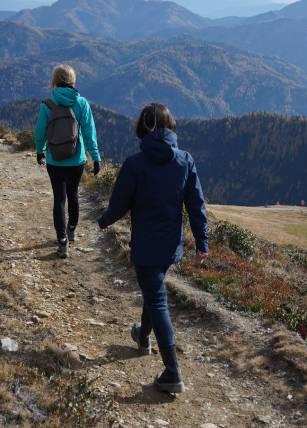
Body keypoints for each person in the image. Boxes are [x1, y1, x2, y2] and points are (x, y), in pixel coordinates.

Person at [98, 103, 209, 394]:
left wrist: (105, 220)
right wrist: (202, 242)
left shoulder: (135, 164)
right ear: (170, 125)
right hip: (170, 246)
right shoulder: (185, 160)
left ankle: (172, 371)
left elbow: (120, 203)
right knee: (154, 289)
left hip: (146, 246)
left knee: (157, 300)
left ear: (143, 128)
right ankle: (143, 337)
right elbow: (196, 205)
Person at [35, 64, 101, 258]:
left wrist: (40, 151)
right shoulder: (81, 103)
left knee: (59, 199)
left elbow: (39, 132)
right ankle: (71, 229)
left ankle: (62, 241)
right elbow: (89, 133)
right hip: (77, 160)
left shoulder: (47, 104)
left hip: (55, 161)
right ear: (73, 81)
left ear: (54, 81)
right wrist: (95, 157)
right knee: (73, 195)